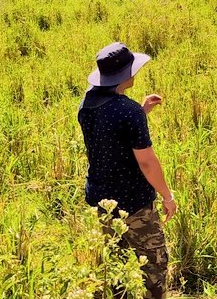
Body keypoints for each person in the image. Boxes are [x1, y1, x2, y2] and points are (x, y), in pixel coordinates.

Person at [78, 42, 177, 299]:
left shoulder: (87, 103)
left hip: (101, 199)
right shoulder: (127, 111)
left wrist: (142, 111)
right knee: (154, 263)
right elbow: (147, 162)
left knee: (115, 258)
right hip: (133, 202)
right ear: (124, 75)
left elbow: (110, 135)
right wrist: (167, 196)